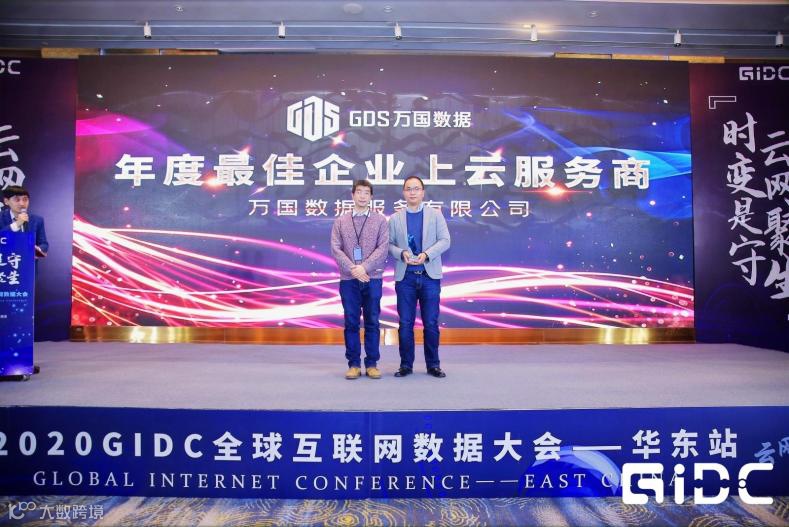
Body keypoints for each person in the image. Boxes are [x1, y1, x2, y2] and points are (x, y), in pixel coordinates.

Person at [389, 176, 451, 378]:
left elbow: (445, 240)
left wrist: (427, 254)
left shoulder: (435, 215)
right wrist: (401, 253)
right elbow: (388, 244)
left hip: (429, 276)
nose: (412, 192)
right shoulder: (395, 218)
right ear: (403, 193)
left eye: (416, 188)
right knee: (405, 324)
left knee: (431, 323)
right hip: (405, 278)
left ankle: (433, 365)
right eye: (408, 189)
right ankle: (405, 365)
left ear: (423, 192)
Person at [331, 179, 389, 380]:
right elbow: (336, 249)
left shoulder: (380, 220)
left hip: (373, 278)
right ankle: (354, 364)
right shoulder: (341, 221)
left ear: (371, 197)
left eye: (366, 193)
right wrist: (353, 269)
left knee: (372, 321)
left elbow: (383, 248)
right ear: (352, 195)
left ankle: (372, 363)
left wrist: (364, 267)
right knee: (351, 322)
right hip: (348, 280)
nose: (362, 196)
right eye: (359, 192)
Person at [1, 185, 48, 260]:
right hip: (5, 263)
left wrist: (37, 249)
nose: (22, 203)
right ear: (6, 201)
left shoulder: (37, 220)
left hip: (28, 263)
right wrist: (17, 224)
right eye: (17, 200)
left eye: (25, 199)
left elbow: (44, 244)